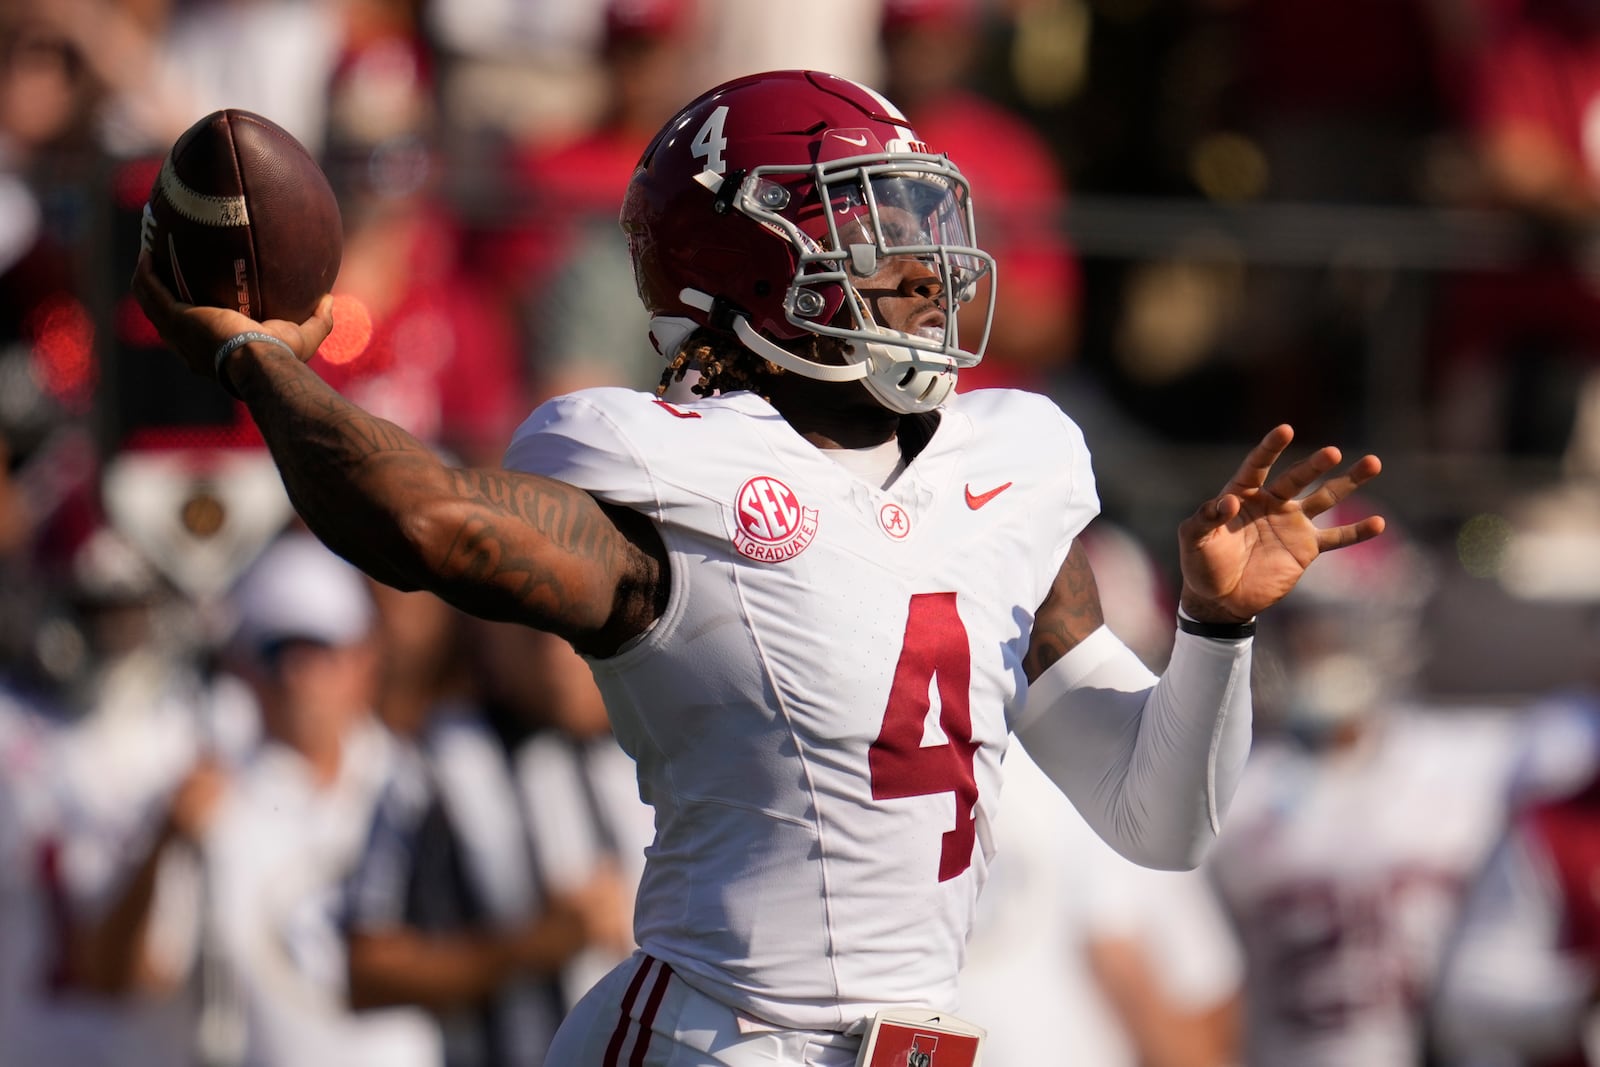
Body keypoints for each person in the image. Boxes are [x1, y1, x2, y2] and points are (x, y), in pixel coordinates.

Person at [131, 68, 1386, 1066]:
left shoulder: (1013, 461)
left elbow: (1158, 818)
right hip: (706, 1041)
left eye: (919, 220)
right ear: (738, 264)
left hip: (923, 1052)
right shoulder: (658, 467)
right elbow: (429, 521)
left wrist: (1216, 630)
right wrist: (262, 359)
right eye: (865, 222)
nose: (914, 262)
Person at [1204, 508, 1518, 1067]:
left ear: (1389, 622)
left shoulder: (1479, 763)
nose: (1323, 642)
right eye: (1303, 624)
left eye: (1344, 622)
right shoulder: (1231, 791)